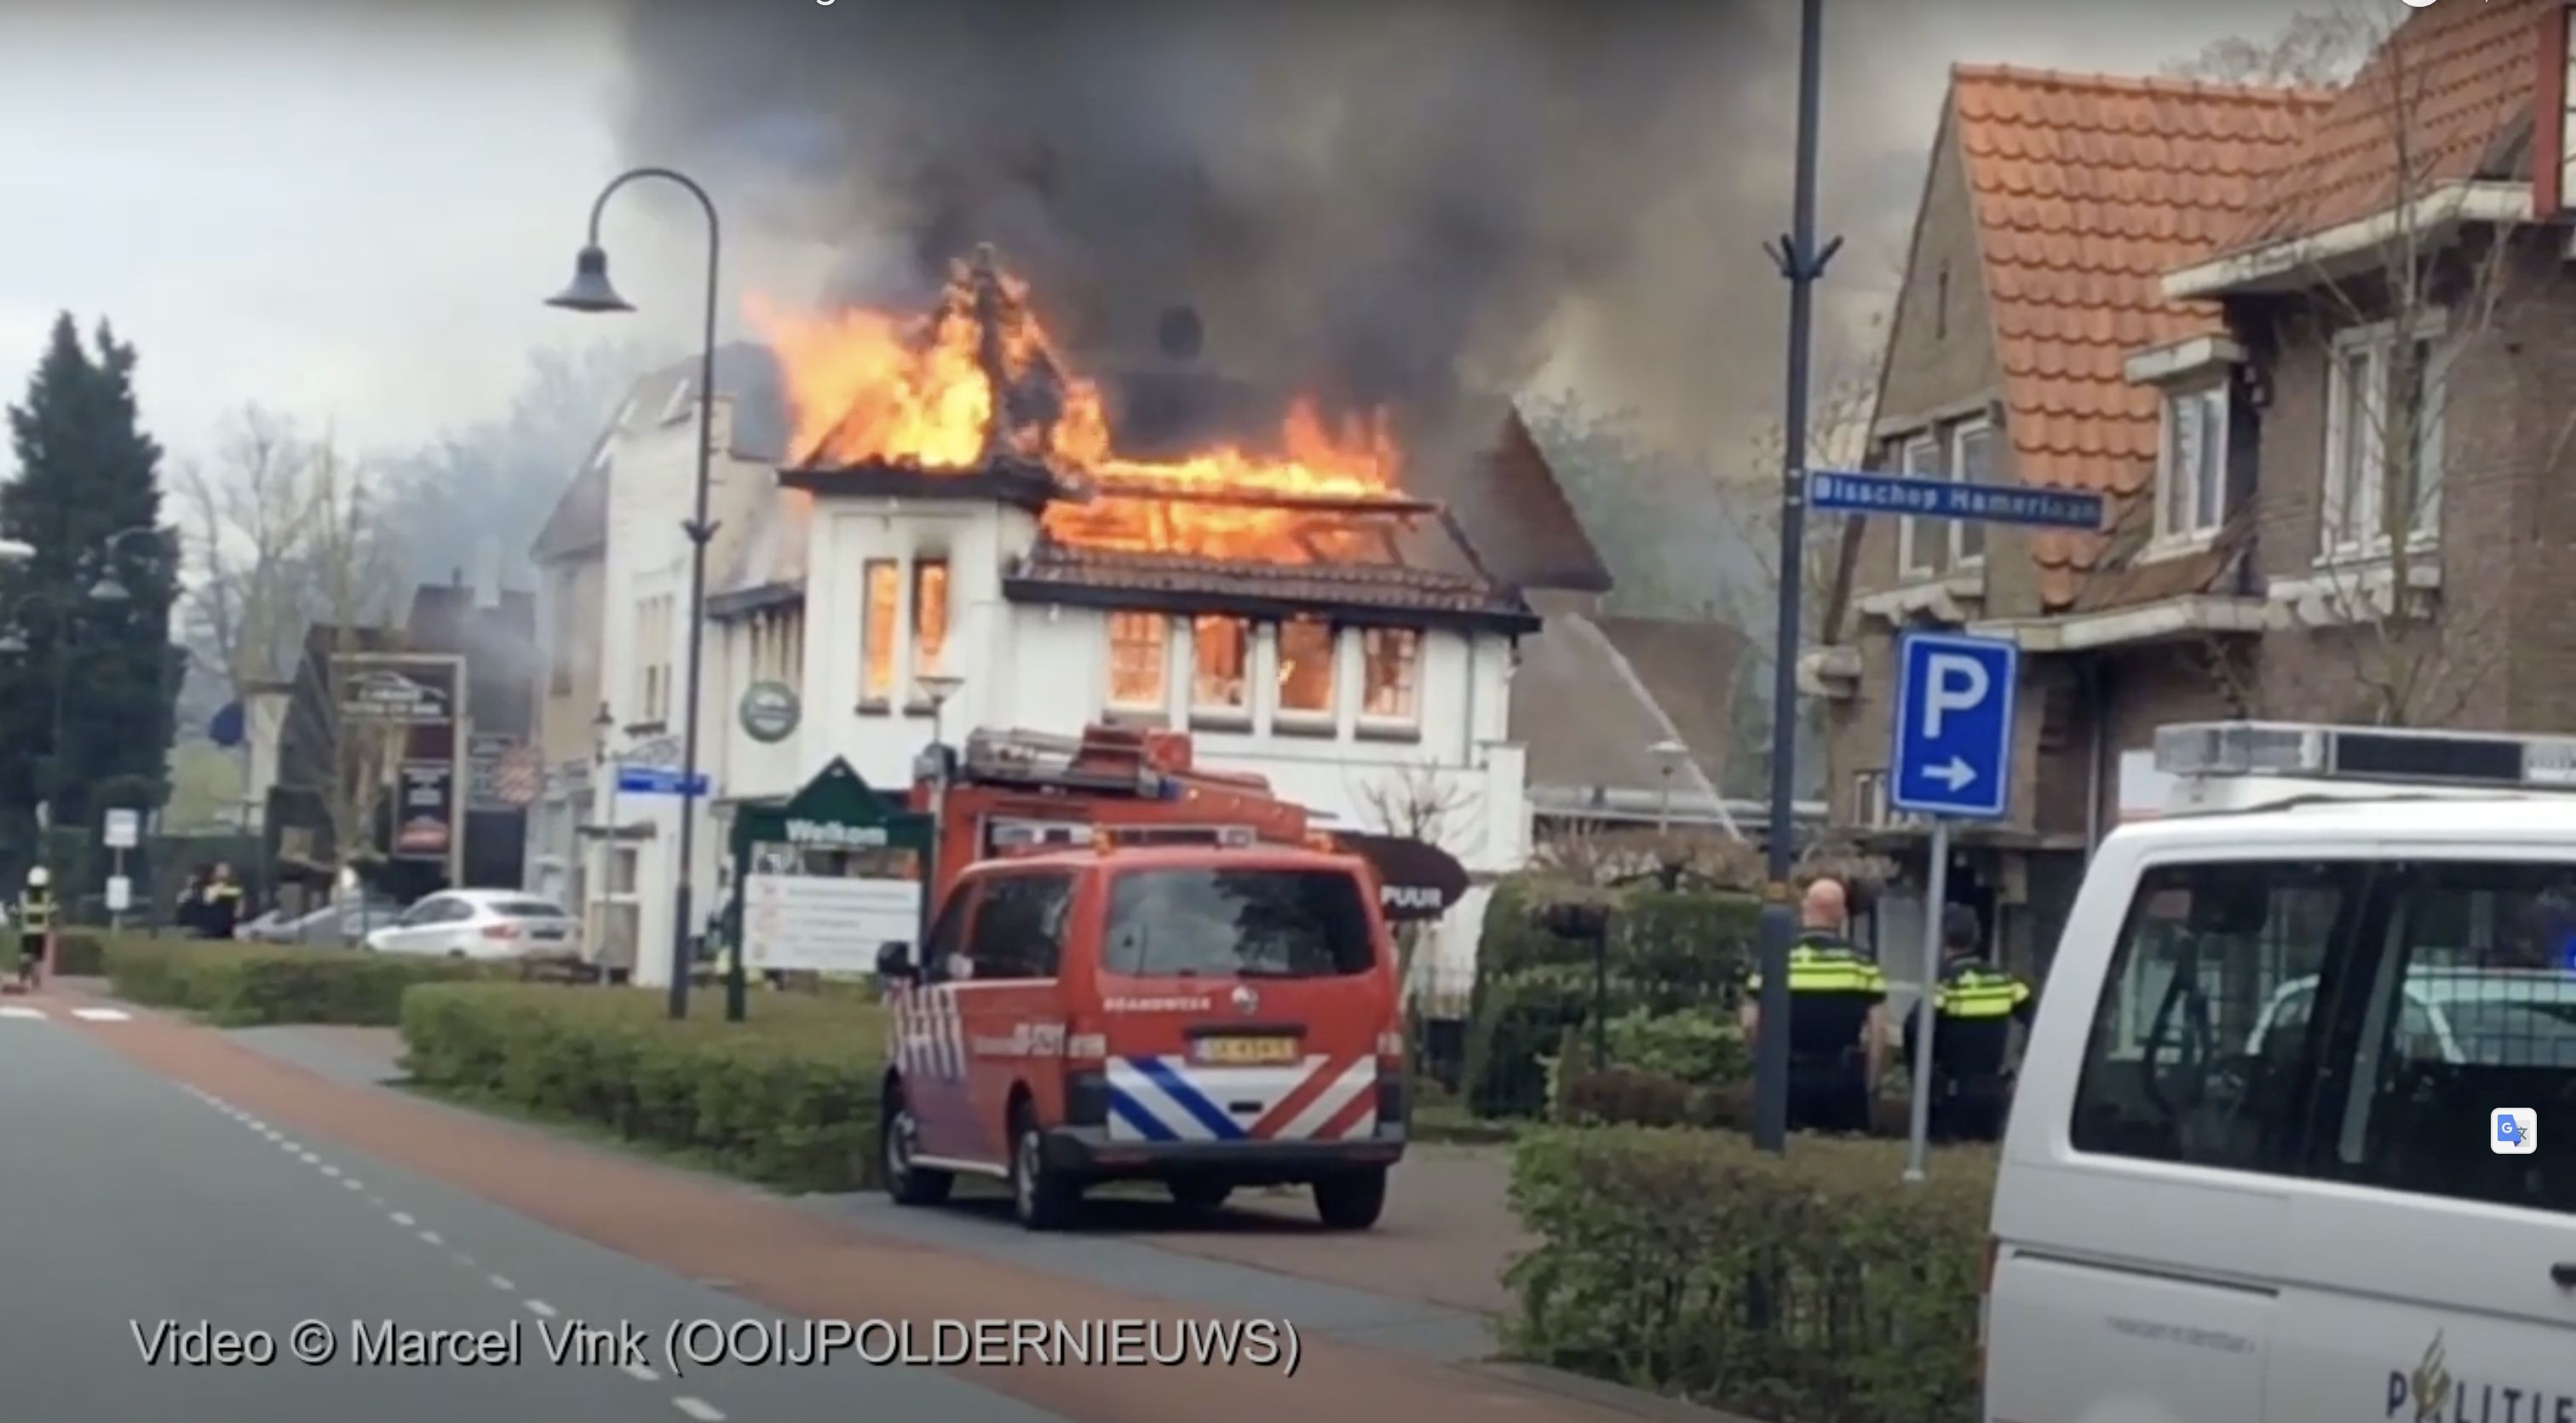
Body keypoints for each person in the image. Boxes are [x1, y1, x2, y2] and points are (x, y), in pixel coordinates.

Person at [1741, 878, 1889, 1133]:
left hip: (1788, 1077)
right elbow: (1879, 1032)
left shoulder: (1778, 959)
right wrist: (1871, 1081)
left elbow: (1750, 1023)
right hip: (1844, 1080)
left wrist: (1766, 1065)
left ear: (1805, 908)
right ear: (1842, 914)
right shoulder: (1862, 964)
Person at [1906, 904, 2035, 1144]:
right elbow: (2037, 1020)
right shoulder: (2004, 981)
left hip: (1953, 1095)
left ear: (1942, 938)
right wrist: (2019, 1065)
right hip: (1994, 1092)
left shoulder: (1946, 984)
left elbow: (1914, 1029)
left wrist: (1923, 1080)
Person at [16, 866, 54, 986]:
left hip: (27, 930)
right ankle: (36, 975)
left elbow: (19, 911)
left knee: (25, 952)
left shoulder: (24, 896)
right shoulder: (47, 897)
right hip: (41, 930)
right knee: (38, 956)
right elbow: (52, 911)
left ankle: (24, 965)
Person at [194, 862, 245, 940]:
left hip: (227, 926)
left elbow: (239, 905)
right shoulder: (211, 888)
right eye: (219, 871)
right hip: (213, 926)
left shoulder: (235, 888)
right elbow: (208, 900)